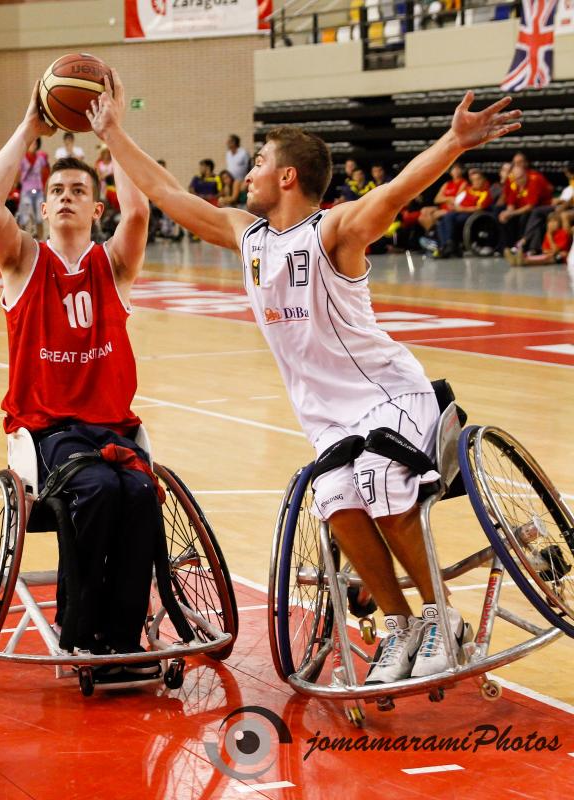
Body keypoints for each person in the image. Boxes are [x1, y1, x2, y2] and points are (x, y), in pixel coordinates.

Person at [90, 69, 520, 684]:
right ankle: (397, 623)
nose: (249, 172)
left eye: (259, 161)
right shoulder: (248, 235)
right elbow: (163, 192)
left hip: (389, 396)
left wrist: (452, 143)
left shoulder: (333, 232)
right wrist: (111, 133)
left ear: (287, 176)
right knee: (334, 499)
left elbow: (395, 192)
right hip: (329, 417)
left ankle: (441, 618)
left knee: (377, 480)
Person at [0, 83, 161, 683]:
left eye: (79, 191)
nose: (66, 198)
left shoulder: (114, 264)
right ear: (42, 205)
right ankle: (82, 634)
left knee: (138, 497)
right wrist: (30, 124)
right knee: (102, 492)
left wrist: (112, 133)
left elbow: (141, 211)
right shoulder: (24, 262)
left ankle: (123, 639)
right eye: (56, 191)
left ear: (94, 207)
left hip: (113, 425)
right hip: (48, 429)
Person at [430, 168, 492, 258]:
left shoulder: (485, 193)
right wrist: (454, 206)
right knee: (442, 222)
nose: (476, 182)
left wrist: (461, 209)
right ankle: (445, 246)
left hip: (471, 215)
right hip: (458, 211)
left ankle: (449, 245)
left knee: (449, 217)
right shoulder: (468, 189)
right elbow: (457, 201)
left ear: (483, 180)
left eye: (478, 179)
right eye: (474, 180)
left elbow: (478, 208)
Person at [506, 213, 570, 266]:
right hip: (550, 254)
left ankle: (524, 262)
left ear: (559, 224)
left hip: (561, 257)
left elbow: (555, 250)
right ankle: (515, 261)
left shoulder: (562, 233)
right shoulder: (548, 234)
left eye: (554, 221)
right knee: (542, 256)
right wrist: (550, 252)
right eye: (550, 222)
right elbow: (544, 250)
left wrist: (550, 237)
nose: (551, 224)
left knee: (549, 258)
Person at [17, 138, 50, 237]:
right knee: (23, 217)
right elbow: (18, 174)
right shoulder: (22, 158)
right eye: (31, 143)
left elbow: (46, 172)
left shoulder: (40, 158)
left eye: (35, 143)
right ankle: (21, 239)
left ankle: (40, 240)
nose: (33, 145)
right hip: (26, 191)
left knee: (40, 218)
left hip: (39, 190)